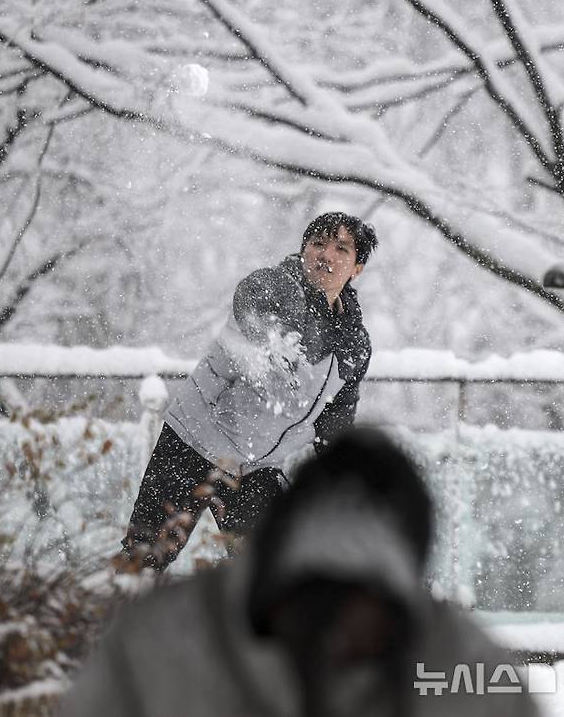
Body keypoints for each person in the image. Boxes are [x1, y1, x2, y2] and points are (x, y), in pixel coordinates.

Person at [66, 430, 538, 717]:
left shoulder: (159, 643)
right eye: (314, 602)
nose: (331, 637)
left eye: (357, 608)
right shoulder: (469, 669)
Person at [120, 211, 378, 571]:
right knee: (145, 557)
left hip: (255, 467)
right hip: (192, 442)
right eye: (317, 244)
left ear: (357, 268)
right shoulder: (280, 287)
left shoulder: (353, 344)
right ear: (303, 250)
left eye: (341, 249)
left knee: (270, 572)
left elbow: (336, 418)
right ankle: (108, 622)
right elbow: (251, 296)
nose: (326, 255)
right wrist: (272, 342)